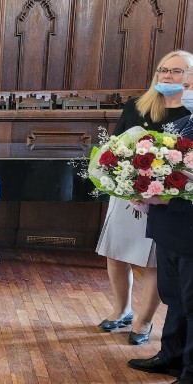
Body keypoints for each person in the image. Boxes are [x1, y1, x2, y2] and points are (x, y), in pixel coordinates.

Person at [95, 50, 193, 346]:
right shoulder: (137, 105)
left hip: (162, 202)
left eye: (176, 71)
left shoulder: (189, 116)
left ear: (190, 78)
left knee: (151, 263)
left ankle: (145, 319)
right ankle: (121, 309)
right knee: (116, 253)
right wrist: (119, 176)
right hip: (126, 193)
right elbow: (114, 144)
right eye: (163, 70)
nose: (167, 75)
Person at [127, 73, 193, 384]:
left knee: (192, 303)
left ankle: (190, 370)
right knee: (174, 298)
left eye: (189, 86)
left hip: (189, 228)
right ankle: (171, 357)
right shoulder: (181, 126)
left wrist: (166, 198)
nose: (184, 91)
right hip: (169, 230)